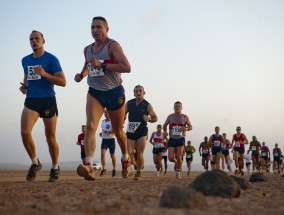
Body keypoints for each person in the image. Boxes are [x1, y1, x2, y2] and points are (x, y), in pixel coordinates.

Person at [74, 16, 131, 180]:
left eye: (99, 27)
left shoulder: (113, 45)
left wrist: (104, 65)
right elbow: (88, 65)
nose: (95, 30)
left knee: (118, 131)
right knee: (91, 126)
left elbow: (127, 67)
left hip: (114, 92)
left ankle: (125, 158)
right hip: (95, 92)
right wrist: (81, 75)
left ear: (107, 29)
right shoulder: (87, 49)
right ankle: (89, 166)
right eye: (92, 27)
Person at [19, 30, 66, 182]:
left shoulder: (51, 59)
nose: (34, 41)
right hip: (31, 100)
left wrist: (45, 74)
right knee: (25, 132)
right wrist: (25, 86)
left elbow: (63, 82)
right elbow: (27, 75)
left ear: (43, 41)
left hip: (47, 100)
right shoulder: (25, 60)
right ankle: (35, 162)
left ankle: (55, 167)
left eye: (36, 38)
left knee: (50, 138)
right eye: (31, 39)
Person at [125, 85, 158, 180]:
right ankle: (132, 163)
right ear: (134, 93)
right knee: (129, 153)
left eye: (140, 91)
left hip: (142, 131)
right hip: (131, 131)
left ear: (144, 93)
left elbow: (155, 118)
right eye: (136, 91)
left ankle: (138, 172)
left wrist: (149, 119)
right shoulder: (129, 103)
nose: (138, 92)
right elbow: (123, 113)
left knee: (140, 152)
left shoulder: (147, 105)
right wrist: (122, 120)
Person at [163, 101, 192, 179]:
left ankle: (178, 171)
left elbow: (190, 127)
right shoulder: (170, 116)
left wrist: (185, 128)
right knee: (170, 158)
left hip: (180, 139)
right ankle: (176, 162)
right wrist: (165, 132)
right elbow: (164, 125)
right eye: (176, 106)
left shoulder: (185, 117)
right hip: (172, 139)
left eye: (179, 106)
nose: (177, 107)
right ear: (173, 108)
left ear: (181, 108)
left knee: (179, 156)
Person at [99, 110, 116, 177]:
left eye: (107, 113)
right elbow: (103, 130)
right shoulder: (103, 121)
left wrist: (108, 132)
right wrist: (101, 133)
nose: (105, 114)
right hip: (104, 140)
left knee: (112, 155)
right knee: (102, 153)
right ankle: (104, 169)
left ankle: (114, 169)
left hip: (111, 140)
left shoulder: (112, 121)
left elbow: (115, 130)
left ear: (109, 113)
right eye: (104, 113)